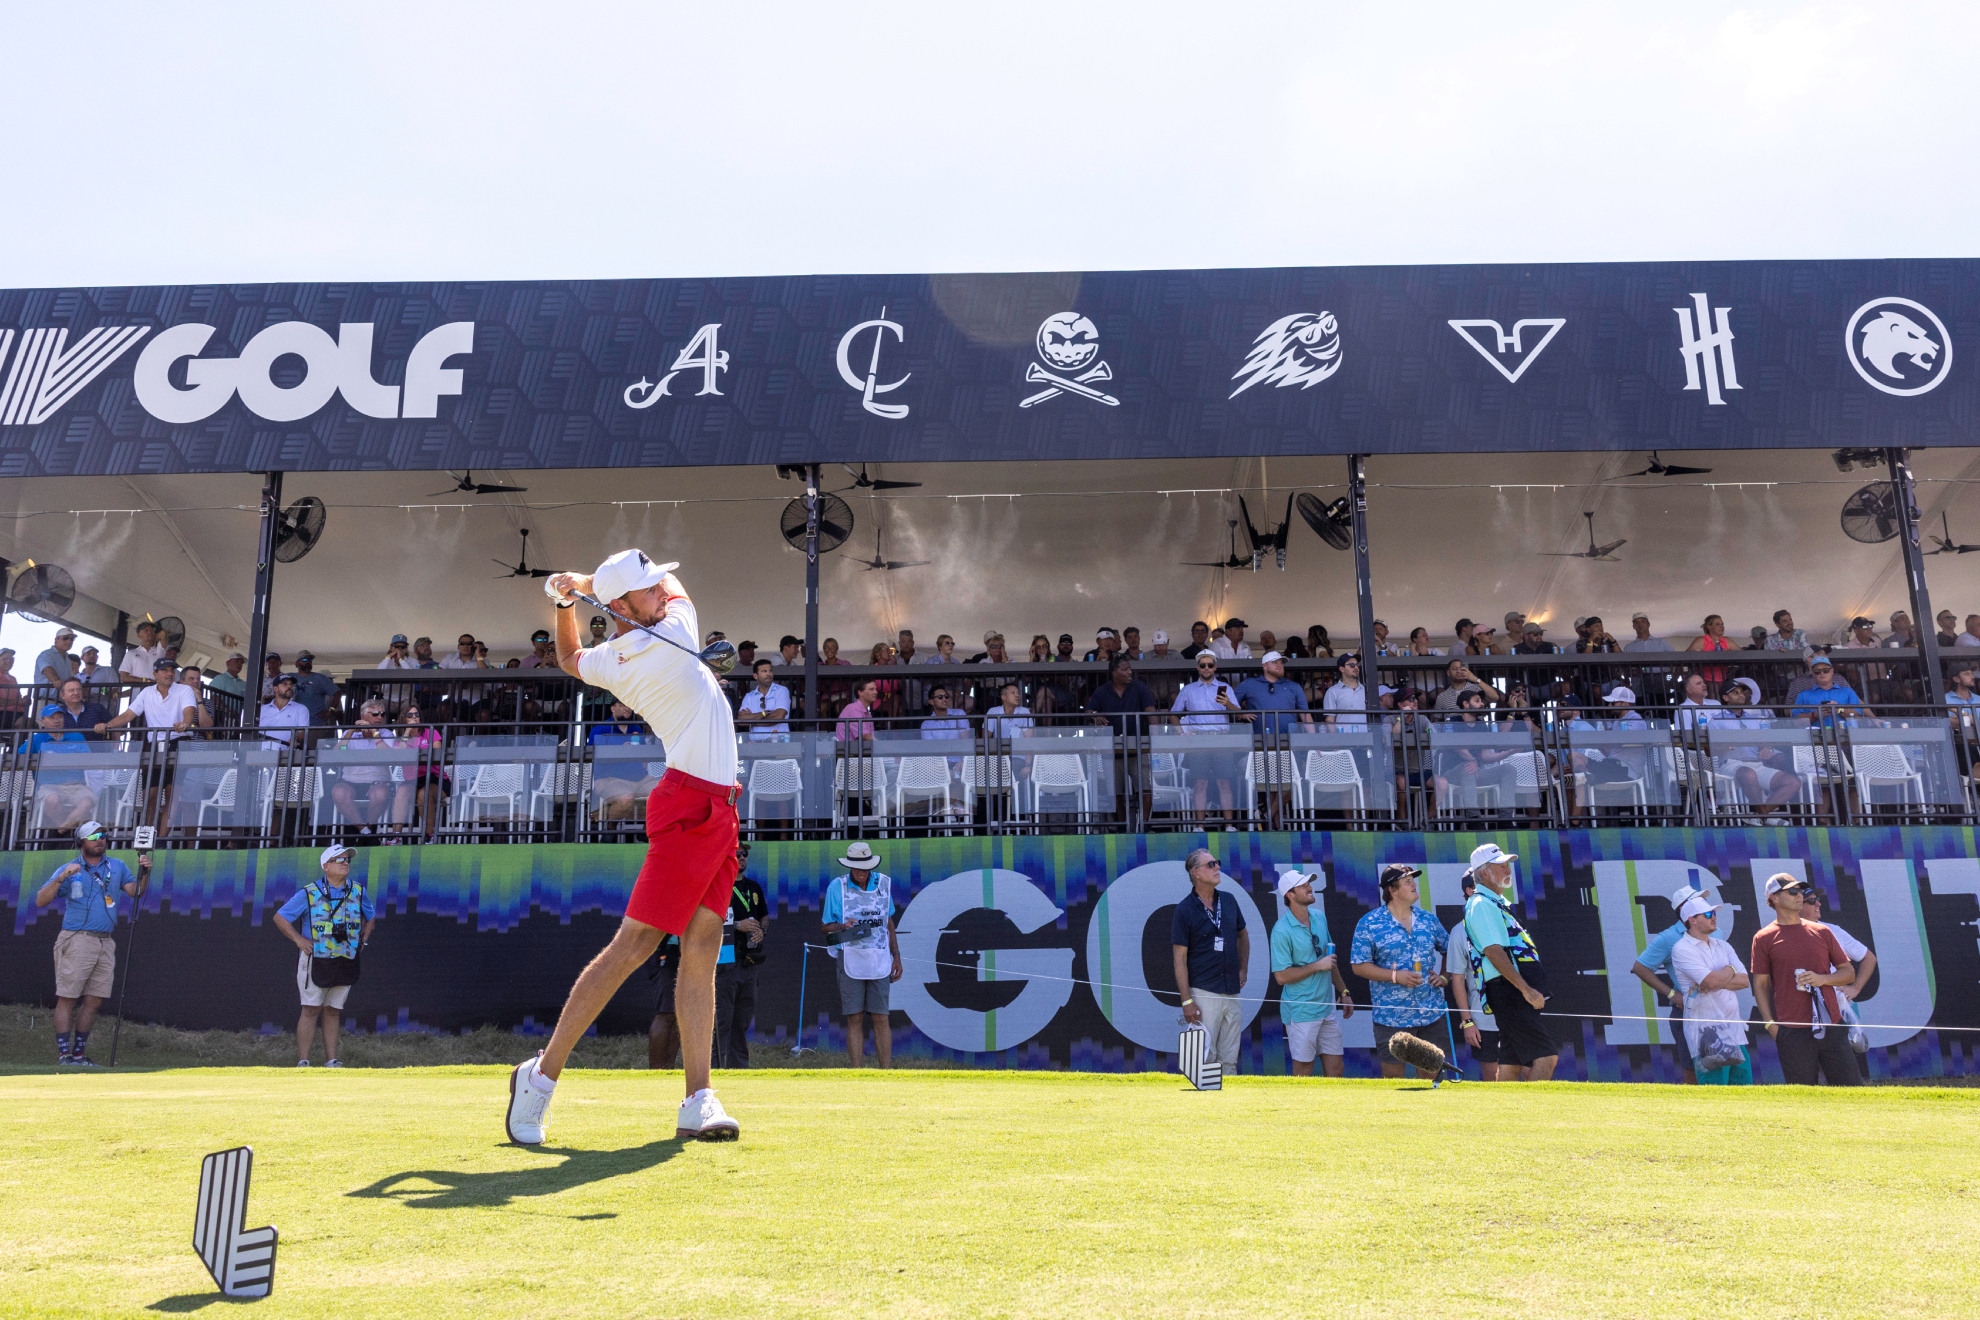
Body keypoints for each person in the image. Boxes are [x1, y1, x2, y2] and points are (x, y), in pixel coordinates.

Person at [506, 549, 744, 1144]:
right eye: (645, 588)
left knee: (703, 945)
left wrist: (570, 597)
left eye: (655, 583)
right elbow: (574, 653)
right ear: (618, 607)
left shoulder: (636, 643)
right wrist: (578, 590)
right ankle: (539, 1078)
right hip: (688, 805)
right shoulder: (657, 641)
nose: (661, 590)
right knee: (634, 945)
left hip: (720, 807)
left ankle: (698, 1098)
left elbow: (568, 655)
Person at [34, 821, 150, 1065]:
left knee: (95, 1000)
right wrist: (61, 878)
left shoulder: (117, 866)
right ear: (81, 842)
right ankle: (64, 1056)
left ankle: (79, 1055)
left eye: (104, 835)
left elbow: (136, 892)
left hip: (105, 942)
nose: (101, 839)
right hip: (77, 939)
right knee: (68, 997)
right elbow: (40, 901)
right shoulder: (70, 868)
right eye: (94, 836)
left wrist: (145, 872)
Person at [272, 844, 376, 1066]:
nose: (346, 862)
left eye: (347, 859)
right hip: (316, 958)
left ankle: (332, 1061)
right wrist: (299, 940)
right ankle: (303, 1061)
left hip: (346, 958)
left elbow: (371, 916)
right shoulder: (310, 892)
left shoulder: (358, 890)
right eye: (339, 860)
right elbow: (280, 917)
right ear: (326, 866)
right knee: (310, 1009)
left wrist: (364, 939)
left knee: (333, 1010)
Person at [1750, 874, 1859, 1086]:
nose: (1799, 895)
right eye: (1792, 891)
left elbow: (1848, 973)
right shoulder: (1763, 938)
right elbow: (1760, 985)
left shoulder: (1822, 931)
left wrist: (1822, 979)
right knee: (1803, 1097)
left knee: (1851, 1091)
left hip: (1831, 1024)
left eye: (1800, 891)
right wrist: (1771, 1025)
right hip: (1792, 1032)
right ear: (1774, 898)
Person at [1461, 843, 1557, 1080]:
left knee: (1511, 1064)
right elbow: (1493, 951)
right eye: (1500, 866)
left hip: (1507, 988)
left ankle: (1503, 1114)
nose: (1507, 870)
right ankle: (1535, 1115)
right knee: (1546, 1057)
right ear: (1483, 873)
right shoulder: (1482, 903)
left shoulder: (1493, 902)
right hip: (1508, 989)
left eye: (1507, 865)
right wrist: (1525, 989)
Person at [1350, 862, 1450, 1076]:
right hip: (1391, 1018)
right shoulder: (1369, 923)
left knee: (1433, 1080)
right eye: (1407, 882)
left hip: (1431, 1015)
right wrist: (1395, 976)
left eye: (1413, 881)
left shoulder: (1428, 920)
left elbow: (1452, 950)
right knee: (1394, 1082)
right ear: (1392, 890)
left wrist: (1444, 976)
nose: (1414, 885)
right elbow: (1358, 966)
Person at [1628, 882, 1719, 1085]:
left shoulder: (1715, 931)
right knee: (1694, 1074)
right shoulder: (1668, 938)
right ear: (1685, 911)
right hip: (1689, 1012)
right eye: (1698, 901)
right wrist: (1672, 995)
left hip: (1721, 1010)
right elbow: (1640, 967)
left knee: (1726, 1070)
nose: (1706, 905)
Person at [821, 841, 902, 1067]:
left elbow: (889, 922)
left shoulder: (884, 884)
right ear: (849, 866)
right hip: (850, 957)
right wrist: (842, 927)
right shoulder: (836, 887)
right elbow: (825, 926)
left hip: (879, 958)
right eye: (857, 866)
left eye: (866, 866)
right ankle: (857, 1073)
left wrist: (897, 955)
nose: (862, 871)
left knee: (881, 1017)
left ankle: (886, 1073)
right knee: (854, 1017)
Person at [1171, 848, 1249, 1075]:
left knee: (1230, 1061)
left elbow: (1243, 935)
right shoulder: (1184, 909)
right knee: (1203, 1060)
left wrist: (1243, 968)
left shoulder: (1229, 900)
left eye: (1217, 862)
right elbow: (1179, 959)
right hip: (1203, 992)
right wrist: (1187, 1001)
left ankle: (1230, 1109)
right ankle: (1201, 1108)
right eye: (1210, 865)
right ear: (1195, 873)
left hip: (1232, 991)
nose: (1217, 868)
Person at [1270, 867, 1352, 1077]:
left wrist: (1344, 992)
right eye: (1303, 885)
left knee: (1337, 1068)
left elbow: (1329, 961)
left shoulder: (1319, 917)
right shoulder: (1281, 930)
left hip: (1327, 1009)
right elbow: (1281, 976)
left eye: (1309, 883)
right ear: (1290, 895)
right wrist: (1317, 966)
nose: (1310, 887)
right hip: (1301, 1012)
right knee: (1303, 1070)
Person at [100, 657, 197, 829]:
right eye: (164, 670)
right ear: (155, 674)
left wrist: (185, 723)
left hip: (180, 742)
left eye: (171, 670)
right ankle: (146, 835)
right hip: (155, 746)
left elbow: (189, 712)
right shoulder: (146, 693)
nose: (169, 673)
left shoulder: (184, 690)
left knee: (172, 793)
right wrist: (107, 725)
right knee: (149, 794)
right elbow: (127, 715)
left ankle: (160, 839)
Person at [1668, 893, 1753, 1085]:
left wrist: (1721, 974)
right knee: (1716, 1096)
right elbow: (1711, 982)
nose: (1713, 916)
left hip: (1735, 1031)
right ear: (1692, 920)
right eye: (1707, 914)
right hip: (1707, 1035)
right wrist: (1730, 970)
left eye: (1713, 912)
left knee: (1745, 1094)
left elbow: (1744, 981)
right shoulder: (1682, 949)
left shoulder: (1722, 945)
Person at [715, 842, 768, 1069]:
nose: (742, 857)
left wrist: (760, 931)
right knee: (722, 1019)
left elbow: (764, 916)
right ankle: (714, 1068)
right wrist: (738, 925)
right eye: (737, 854)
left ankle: (739, 1069)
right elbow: (709, 924)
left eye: (744, 854)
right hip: (725, 962)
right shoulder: (718, 887)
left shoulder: (754, 888)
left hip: (750, 962)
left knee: (742, 1020)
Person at [1444, 871, 1502, 1078]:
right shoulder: (1459, 932)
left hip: (1516, 1014)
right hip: (1483, 1020)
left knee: (1530, 1069)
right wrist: (1467, 1022)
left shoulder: (1508, 922)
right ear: (1470, 891)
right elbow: (1457, 980)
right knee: (1492, 1076)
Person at [1171, 654, 1241, 820]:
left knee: (1224, 782)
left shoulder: (1225, 687)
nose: (1206, 668)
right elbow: (1173, 714)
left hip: (1221, 738)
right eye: (1203, 665)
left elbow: (1239, 714)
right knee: (1200, 783)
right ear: (1197, 667)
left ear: (1215, 667)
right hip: (1199, 739)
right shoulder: (1188, 689)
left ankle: (1229, 825)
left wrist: (1228, 704)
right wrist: (1182, 733)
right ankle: (1199, 826)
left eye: (1210, 665)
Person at [328, 700, 401, 838]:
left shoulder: (386, 733)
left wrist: (375, 734)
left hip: (378, 781)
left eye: (382, 714)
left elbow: (388, 756)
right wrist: (349, 733)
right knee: (338, 793)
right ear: (363, 716)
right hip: (350, 780)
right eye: (375, 714)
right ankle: (365, 832)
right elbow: (338, 753)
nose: (379, 717)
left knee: (380, 795)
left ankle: (368, 829)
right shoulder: (350, 734)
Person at [30, 705, 96, 830]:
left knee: (87, 803)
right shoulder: (36, 738)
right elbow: (20, 756)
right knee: (52, 800)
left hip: (77, 785)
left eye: (60, 717)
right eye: (52, 717)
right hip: (48, 786)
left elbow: (89, 760)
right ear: (42, 721)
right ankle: (67, 832)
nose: (57, 720)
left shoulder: (76, 736)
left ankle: (60, 831)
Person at [736, 659, 792, 742]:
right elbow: (741, 720)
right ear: (755, 676)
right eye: (764, 671)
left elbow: (779, 717)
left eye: (770, 671)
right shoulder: (749, 696)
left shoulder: (782, 691)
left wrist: (752, 720)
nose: (768, 674)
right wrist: (764, 713)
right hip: (755, 746)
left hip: (779, 743)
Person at [258, 674, 310, 751]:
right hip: (261, 754)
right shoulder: (262, 710)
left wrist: (295, 739)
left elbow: (302, 733)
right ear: (275, 689)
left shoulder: (301, 709)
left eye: (291, 684)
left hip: (287, 756)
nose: (289, 687)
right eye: (285, 684)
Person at [1322, 652, 1369, 726]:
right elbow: (1330, 720)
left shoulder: (1366, 690)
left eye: (1357, 664)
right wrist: (1336, 737)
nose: (1356, 667)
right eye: (1352, 665)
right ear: (1342, 669)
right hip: (1344, 737)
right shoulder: (1332, 691)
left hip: (1366, 736)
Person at [290, 651, 338, 722]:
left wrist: (331, 710)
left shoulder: (320, 678)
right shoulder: (289, 677)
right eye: (304, 660)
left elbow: (338, 693)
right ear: (296, 663)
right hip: (293, 723)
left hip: (315, 724)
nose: (308, 662)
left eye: (310, 660)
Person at [116, 620, 164, 686]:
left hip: (157, 693)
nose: (149, 632)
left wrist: (152, 639)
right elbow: (124, 678)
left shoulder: (159, 651)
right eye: (146, 631)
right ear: (139, 636)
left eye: (151, 630)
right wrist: (146, 681)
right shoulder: (131, 653)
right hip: (138, 693)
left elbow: (163, 634)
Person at [835, 679, 879, 746]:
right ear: (860, 692)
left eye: (876, 689)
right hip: (849, 754)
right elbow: (865, 735)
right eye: (871, 689)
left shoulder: (868, 714)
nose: (876, 692)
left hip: (859, 752)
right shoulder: (853, 709)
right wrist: (882, 746)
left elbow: (870, 737)